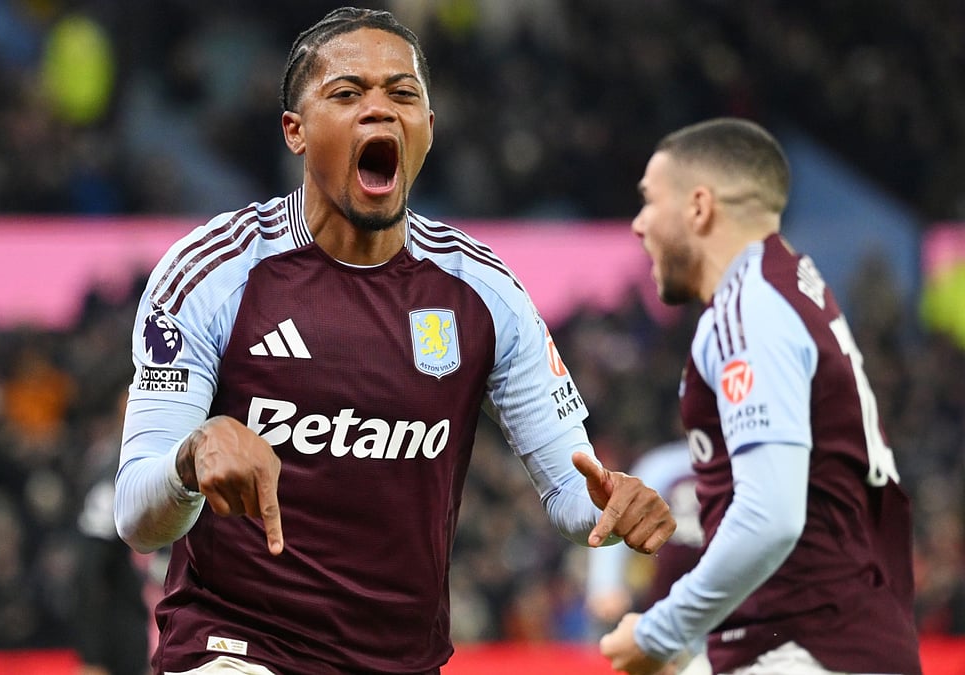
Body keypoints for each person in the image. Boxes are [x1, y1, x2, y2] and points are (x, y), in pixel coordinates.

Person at [114, 7, 676, 675]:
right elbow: (137, 515)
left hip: (401, 661)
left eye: (402, 94)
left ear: (428, 129)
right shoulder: (213, 272)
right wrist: (190, 459)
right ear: (295, 130)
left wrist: (614, 503)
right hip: (236, 649)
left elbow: (572, 492)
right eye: (347, 93)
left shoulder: (483, 292)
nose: (379, 109)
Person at [600, 117, 922, 675]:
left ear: (699, 207)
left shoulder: (749, 307)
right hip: (831, 638)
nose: (638, 224)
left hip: (805, 648)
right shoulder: (792, 288)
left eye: (649, 201)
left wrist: (657, 633)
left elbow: (770, 515)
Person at [586, 440, 706, 675]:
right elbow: (618, 514)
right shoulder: (664, 465)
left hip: (735, 606)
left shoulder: (751, 461)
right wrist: (606, 584)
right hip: (666, 605)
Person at [74, 392, 150, 675]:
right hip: (135, 639)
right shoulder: (114, 479)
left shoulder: (202, 461)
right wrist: (91, 657)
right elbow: (89, 572)